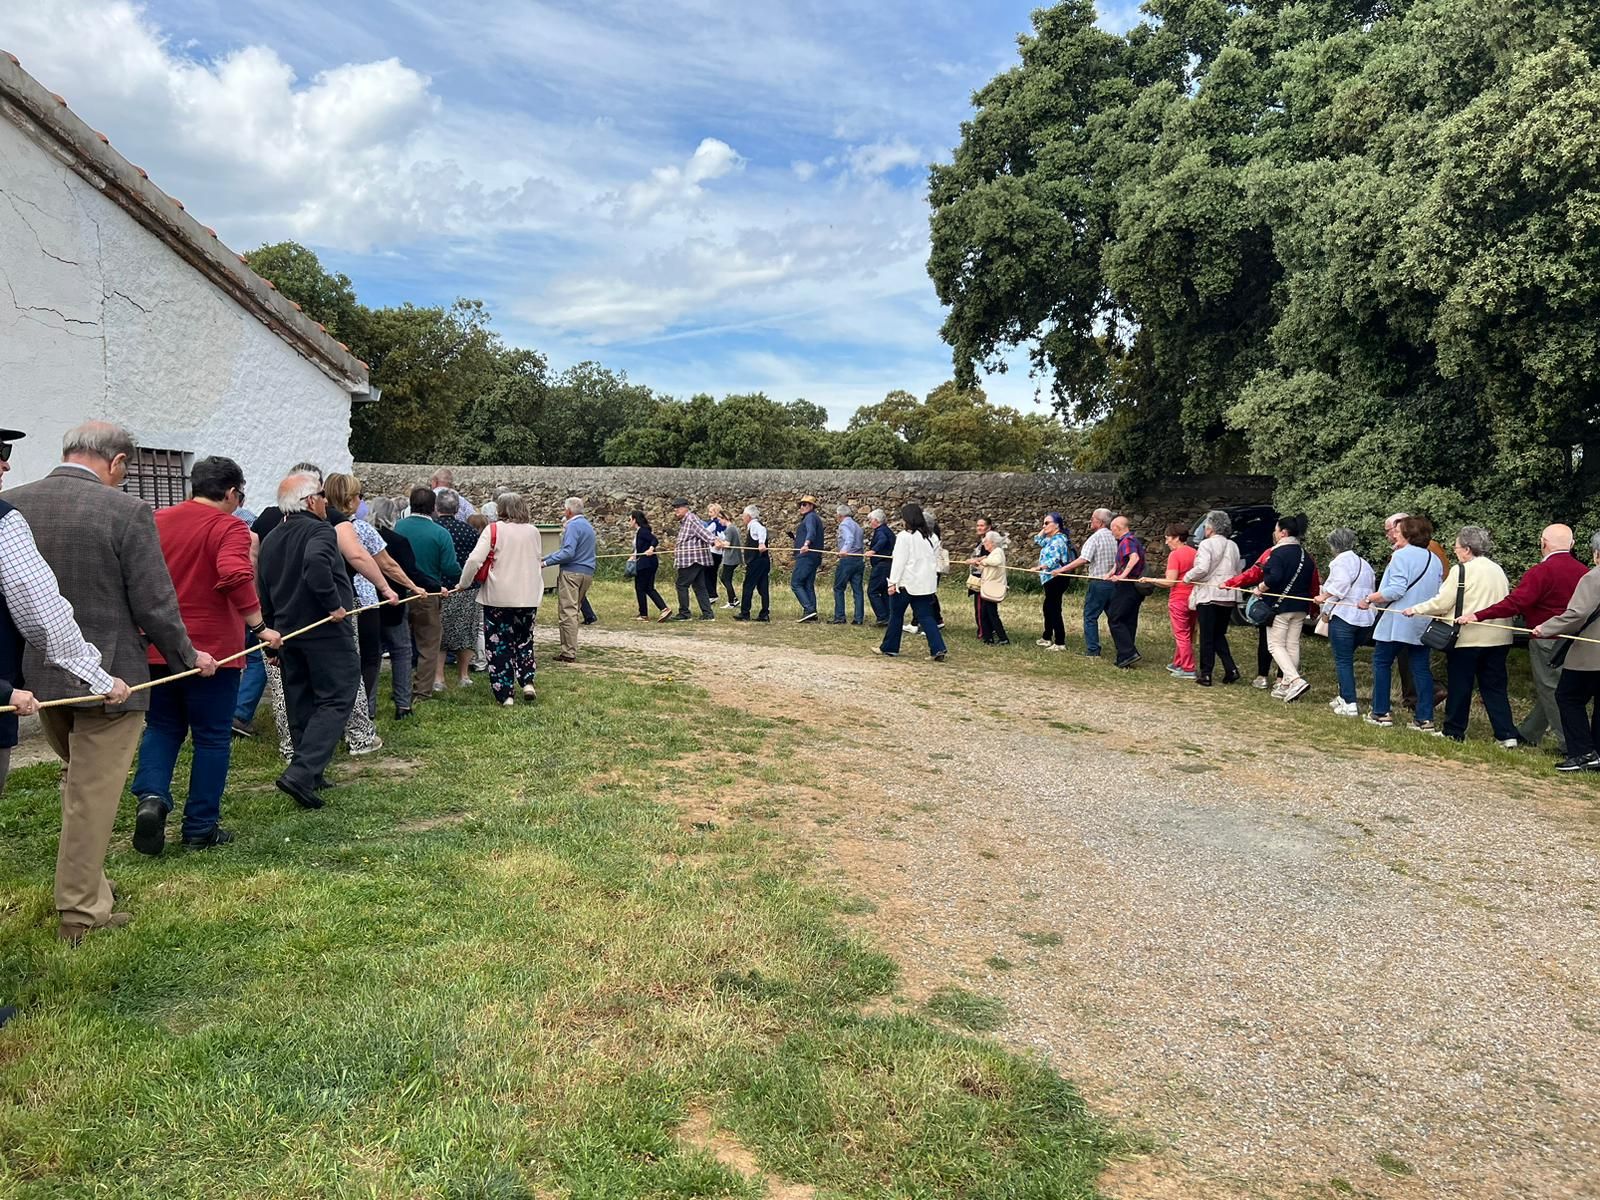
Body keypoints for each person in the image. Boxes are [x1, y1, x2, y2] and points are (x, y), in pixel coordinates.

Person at [6, 421, 213, 942]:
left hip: (36, 674)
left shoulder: (15, 501)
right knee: (92, 794)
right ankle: (79, 914)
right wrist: (188, 657)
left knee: (80, 787)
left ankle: (90, 885)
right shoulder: (126, 510)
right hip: (109, 676)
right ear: (118, 463)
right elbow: (155, 603)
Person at [129, 456, 281, 855]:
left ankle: (152, 798)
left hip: (159, 646)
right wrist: (260, 626)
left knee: (162, 727)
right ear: (232, 493)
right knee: (212, 739)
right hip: (215, 652)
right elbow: (234, 573)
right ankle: (199, 827)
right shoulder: (229, 526)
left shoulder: (156, 521)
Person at [258, 474, 357, 810]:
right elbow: (316, 566)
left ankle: (309, 772)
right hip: (325, 630)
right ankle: (302, 772)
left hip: (287, 634)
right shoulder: (320, 531)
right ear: (309, 501)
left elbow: (264, 589)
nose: (326, 501)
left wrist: (270, 635)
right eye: (321, 495)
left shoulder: (271, 538)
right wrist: (334, 605)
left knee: (300, 699)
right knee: (337, 698)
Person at [1461, 524, 1587, 754]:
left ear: (1543, 543)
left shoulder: (1542, 571)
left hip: (1546, 637)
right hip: (1576, 639)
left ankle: (1571, 744)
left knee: (1551, 689)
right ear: (1572, 545)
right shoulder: (1583, 571)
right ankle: (1531, 732)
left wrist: (1479, 614)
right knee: (1553, 687)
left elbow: (1516, 602)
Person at [1404, 526, 1517, 745]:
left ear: (1466, 549)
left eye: (1456, 547)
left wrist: (1416, 609)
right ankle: (1506, 735)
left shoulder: (1461, 570)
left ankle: (1454, 731)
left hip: (1468, 638)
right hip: (1499, 638)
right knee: (1494, 688)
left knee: (1460, 686)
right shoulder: (1497, 569)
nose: (1455, 551)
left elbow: (1442, 602)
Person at [325, 475, 423, 720]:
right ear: (349, 501)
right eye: (358, 496)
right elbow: (388, 565)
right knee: (368, 659)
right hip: (362, 602)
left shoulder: (317, 527)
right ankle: (359, 715)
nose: (361, 500)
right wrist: (413, 587)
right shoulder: (359, 529)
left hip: (327, 602)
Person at [458, 492, 543, 706]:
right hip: (528, 595)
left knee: (498, 644)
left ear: (501, 509)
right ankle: (527, 680)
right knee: (524, 639)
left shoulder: (494, 529)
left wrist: (464, 583)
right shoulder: (533, 532)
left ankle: (505, 693)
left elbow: (475, 559)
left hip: (498, 596)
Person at [1362, 515, 1444, 733]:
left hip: (1397, 621)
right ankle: (1425, 718)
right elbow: (1438, 591)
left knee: (1381, 662)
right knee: (1421, 669)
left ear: (1408, 534)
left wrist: (1370, 598)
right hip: (1421, 620)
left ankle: (1381, 712)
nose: (1394, 534)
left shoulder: (1400, 556)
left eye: (1398, 531)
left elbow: (1396, 590)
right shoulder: (1433, 559)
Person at [1533, 532, 1600, 771]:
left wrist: (1546, 627)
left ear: (1596, 553)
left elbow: (1577, 614)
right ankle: (1597, 754)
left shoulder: (1594, 577)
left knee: (1568, 697)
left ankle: (1582, 752)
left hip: (1590, 655)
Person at [395, 487, 458, 696]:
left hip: (399, 592)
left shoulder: (398, 527)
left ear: (410, 504)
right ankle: (422, 690)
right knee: (429, 645)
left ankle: (400, 688)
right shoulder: (440, 533)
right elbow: (450, 567)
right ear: (434, 508)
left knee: (400, 645)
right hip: (428, 594)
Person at [873, 504, 947, 661]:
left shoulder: (904, 537)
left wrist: (892, 582)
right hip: (925, 584)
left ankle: (890, 647)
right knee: (927, 616)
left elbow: (899, 562)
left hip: (906, 583)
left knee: (896, 615)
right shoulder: (931, 537)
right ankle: (938, 648)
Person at [1315, 528, 1376, 717]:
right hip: (1365, 619)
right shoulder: (1364, 564)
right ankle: (1343, 696)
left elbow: (1339, 586)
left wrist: (1323, 597)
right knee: (1346, 658)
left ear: (1333, 546)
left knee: (1343, 660)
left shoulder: (1339, 562)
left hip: (1344, 617)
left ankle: (1350, 702)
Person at [1256, 514, 1317, 702]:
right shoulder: (1305, 555)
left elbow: (1273, 577)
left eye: (1276, 530)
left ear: (1283, 533)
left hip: (1280, 606)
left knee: (1275, 645)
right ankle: (1285, 685)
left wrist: (1260, 588)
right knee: (1292, 645)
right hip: (1300, 605)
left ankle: (1295, 680)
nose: (1274, 534)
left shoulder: (1278, 553)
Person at [368, 497, 418, 718]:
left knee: (371, 656)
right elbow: (409, 571)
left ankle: (368, 707)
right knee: (401, 651)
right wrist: (428, 586)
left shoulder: (361, 538)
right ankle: (403, 704)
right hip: (394, 603)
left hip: (369, 603)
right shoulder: (398, 541)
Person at [1185, 510, 1243, 687]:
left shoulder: (1206, 544)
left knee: (1207, 636)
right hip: (1227, 595)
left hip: (1210, 594)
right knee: (1218, 634)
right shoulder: (1233, 545)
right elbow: (1237, 569)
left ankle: (1206, 673)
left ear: (1210, 527)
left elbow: (1202, 568)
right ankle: (1231, 669)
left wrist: (1188, 577)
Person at [434, 488, 481, 690]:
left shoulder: (434, 529)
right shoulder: (469, 531)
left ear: (436, 508)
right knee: (466, 633)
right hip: (465, 588)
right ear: (457, 508)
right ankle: (463, 676)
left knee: (438, 633)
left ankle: (438, 678)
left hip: (439, 587)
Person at [542, 497, 597, 662]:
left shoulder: (572, 526)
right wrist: (546, 557)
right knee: (574, 610)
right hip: (587, 572)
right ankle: (569, 647)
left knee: (568, 612)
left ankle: (568, 651)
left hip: (572, 572)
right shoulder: (588, 526)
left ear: (568, 511)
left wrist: (545, 562)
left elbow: (567, 552)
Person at [1062, 508, 1116, 657]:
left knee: (1090, 616)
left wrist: (1062, 569)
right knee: (1115, 618)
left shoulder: (1095, 538)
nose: (1090, 521)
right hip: (1116, 582)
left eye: (1092, 519)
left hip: (1098, 582)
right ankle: (1124, 649)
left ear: (1099, 522)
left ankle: (1093, 650)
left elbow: (1084, 559)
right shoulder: (1115, 537)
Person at [1103, 516, 1147, 668]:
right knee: (1128, 620)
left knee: (1115, 618)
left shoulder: (1127, 541)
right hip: (1134, 587)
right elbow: (1121, 562)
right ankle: (1124, 657)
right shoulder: (1130, 540)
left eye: (1112, 528)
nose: (1111, 531)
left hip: (1127, 586)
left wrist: (1122, 576)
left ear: (1118, 527)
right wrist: (1110, 573)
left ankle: (1128, 652)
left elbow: (1133, 558)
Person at [1032, 512, 1075, 653]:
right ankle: (1047, 636)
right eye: (1043, 523)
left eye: (1047, 523)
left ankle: (1060, 641)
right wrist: (1045, 528)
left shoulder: (1059, 540)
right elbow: (1038, 540)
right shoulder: (1051, 539)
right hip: (1049, 578)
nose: (1044, 526)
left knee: (1054, 609)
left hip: (1057, 578)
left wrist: (1039, 567)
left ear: (1057, 525)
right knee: (1048, 607)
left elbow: (1054, 560)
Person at [670, 497, 718, 620]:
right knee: (699, 586)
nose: (676, 510)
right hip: (692, 559)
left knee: (681, 585)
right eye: (675, 508)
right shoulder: (686, 520)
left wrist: (715, 541)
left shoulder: (691, 519)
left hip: (692, 559)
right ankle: (708, 614)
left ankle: (684, 613)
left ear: (685, 508)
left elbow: (703, 532)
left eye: (678, 508)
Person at [1162, 522, 1197, 679]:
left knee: (1182, 634)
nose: (1166, 541)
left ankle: (1189, 668)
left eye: (1168, 538)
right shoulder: (1195, 552)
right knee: (1187, 632)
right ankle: (1178, 662)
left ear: (1176, 538)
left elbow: (1171, 581)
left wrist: (1150, 580)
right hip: (1193, 598)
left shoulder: (1175, 555)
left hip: (1179, 599)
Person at [967, 530, 1010, 645]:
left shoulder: (998, 552)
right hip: (988, 585)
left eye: (986, 541)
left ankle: (1002, 638)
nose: (984, 543)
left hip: (993, 587)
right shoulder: (992, 553)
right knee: (985, 613)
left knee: (991, 613)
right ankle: (988, 638)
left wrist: (980, 560)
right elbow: (987, 567)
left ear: (992, 542)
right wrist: (976, 564)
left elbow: (995, 562)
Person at [629, 510, 671, 621]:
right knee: (648, 588)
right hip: (647, 562)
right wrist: (633, 555)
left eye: (630, 519)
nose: (629, 522)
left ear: (635, 520)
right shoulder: (640, 531)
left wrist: (651, 549)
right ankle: (662, 609)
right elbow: (640, 547)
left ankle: (644, 614)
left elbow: (654, 540)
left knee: (640, 587)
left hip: (646, 564)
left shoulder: (642, 531)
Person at [732, 505, 770, 622]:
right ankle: (764, 613)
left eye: (743, 516)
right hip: (763, 561)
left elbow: (762, 531)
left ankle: (745, 613)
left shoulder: (754, 525)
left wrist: (762, 543)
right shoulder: (754, 525)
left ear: (748, 516)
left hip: (756, 562)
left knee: (748, 586)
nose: (742, 518)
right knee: (763, 587)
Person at [790, 496, 825, 622]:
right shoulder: (814, 518)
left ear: (811, 506)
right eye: (801, 505)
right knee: (808, 584)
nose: (801, 507)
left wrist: (806, 544)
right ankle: (812, 613)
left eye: (804, 504)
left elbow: (811, 532)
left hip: (806, 556)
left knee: (796, 583)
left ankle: (809, 608)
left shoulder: (810, 517)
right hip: (814, 557)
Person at [832, 504, 866, 625]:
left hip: (848, 560)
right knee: (857, 590)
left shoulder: (844, 524)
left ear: (840, 515)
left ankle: (840, 616)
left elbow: (849, 538)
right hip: (858, 559)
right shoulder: (857, 525)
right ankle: (859, 618)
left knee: (839, 588)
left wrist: (844, 550)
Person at [866, 509, 895, 627]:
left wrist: (873, 550)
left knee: (872, 591)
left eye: (870, 520)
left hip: (882, 565)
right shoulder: (888, 531)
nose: (869, 522)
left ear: (876, 521)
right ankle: (888, 617)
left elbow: (882, 541)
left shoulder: (881, 531)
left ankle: (882, 616)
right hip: (889, 564)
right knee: (884, 591)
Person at [966, 516, 992, 636]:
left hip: (984, 577)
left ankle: (983, 632)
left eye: (981, 525)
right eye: (978, 525)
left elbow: (989, 556)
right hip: (977, 575)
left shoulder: (989, 541)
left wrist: (975, 560)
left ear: (988, 527)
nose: (979, 528)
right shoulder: (981, 541)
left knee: (981, 607)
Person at [717, 512, 743, 610]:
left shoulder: (729, 529)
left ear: (724, 518)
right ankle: (733, 599)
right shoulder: (734, 528)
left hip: (730, 557)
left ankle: (732, 601)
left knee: (725, 578)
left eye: (720, 519)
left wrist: (719, 543)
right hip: (734, 557)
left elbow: (727, 544)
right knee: (726, 578)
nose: (719, 522)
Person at [705, 503, 728, 602]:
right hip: (719, 553)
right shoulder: (723, 524)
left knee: (706, 573)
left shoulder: (714, 523)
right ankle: (713, 593)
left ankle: (711, 594)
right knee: (713, 573)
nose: (709, 514)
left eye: (711, 512)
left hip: (713, 551)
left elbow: (705, 533)